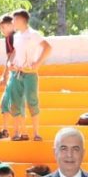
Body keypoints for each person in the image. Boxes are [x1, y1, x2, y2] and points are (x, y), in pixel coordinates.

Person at [8, 9, 52, 141]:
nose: (13, 22)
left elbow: (47, 47)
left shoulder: (33, 34)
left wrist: (37, 64)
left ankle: (36, 133)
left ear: (22, 20)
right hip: (16, 73)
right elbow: (15, 53)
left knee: (32, 101)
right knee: (15, 102)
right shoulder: (16, 36)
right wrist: (11, 63)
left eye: (15, 19)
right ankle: (18, 132)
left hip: (29, 74)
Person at [0, 14, 16, 140]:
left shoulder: (13, 37)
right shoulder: (9, 38)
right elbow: (9, 57)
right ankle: (6, 130)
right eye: (0, 28)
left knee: (8, 102)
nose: (2, 30)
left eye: (3, 27)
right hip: (14, 73)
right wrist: (4, 76)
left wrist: (6, 75)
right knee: (5, 102)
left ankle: (14, 131)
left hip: (18, 73)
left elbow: (12, 56)